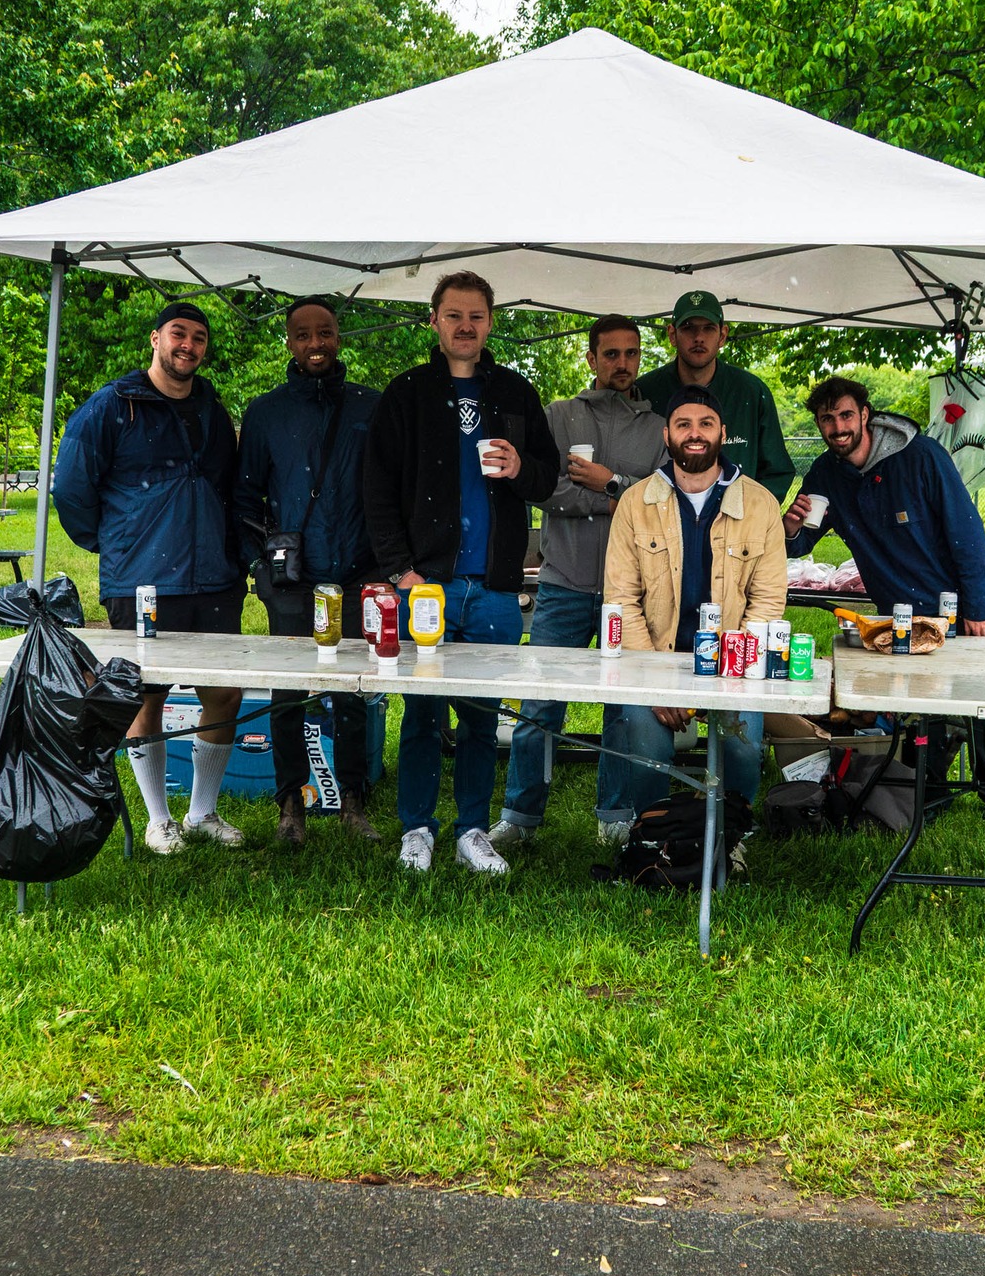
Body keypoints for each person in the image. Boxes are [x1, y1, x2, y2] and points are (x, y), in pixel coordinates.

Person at [363, 270, 560, 875]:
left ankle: (473, 829)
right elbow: (376, 489)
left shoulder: (516, 394)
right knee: (422, 711)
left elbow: (547, 479)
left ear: (490, 323)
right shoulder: (407, 393)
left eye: (476, 316)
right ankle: (416, 828)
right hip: (430, 585)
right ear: (435, 322)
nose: (465, 326)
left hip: (497, 587)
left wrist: (520, 465)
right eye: (454, 315)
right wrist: (401, 571)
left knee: (480, 714)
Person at [53, 300, 246, 856]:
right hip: (140, 581)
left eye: (200, 338)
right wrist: (114, 543)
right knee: (145, 698)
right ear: (155, 338)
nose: (188, 345)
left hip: (212, 576)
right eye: (178, 334)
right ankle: (159, 820)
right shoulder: (113, 406)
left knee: (225, 693)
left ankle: (204, 812)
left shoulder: (211, 406)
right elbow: (71, 490)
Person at [782, 374, 985, 810]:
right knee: (919, 705)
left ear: (866, 415)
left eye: (846, 414)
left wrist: (980, 606)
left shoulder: (922, 456)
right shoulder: (826, 474)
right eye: (827, 419)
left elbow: (967, 533)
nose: (838, 427)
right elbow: (798, 542)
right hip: (902, 614)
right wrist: (790, 527)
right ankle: (930, 791)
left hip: (961, 604)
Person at [490, 315, 667, 851]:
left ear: (639, 358)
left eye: (630, 353)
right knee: (540, 705)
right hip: (563, 582)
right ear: (590, 359)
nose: (621, 363)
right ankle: (520, 817)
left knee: (622, 710)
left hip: (626, 593)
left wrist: (611, 482)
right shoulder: (558, 416)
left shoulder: (658, 426)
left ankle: (615, 816)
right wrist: (607, 501)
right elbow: (540, 488)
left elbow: (661, 501)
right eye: (609, 353)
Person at [234, 298, 381, 845]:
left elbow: (386, 491)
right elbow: (244, 498)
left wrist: (383, 566)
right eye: (303, 335)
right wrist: (261, 567)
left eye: (324, 332)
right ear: (290, 342)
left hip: (356, 573)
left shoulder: (372, 407)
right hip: (292, 581)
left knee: (352, 690)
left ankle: (353, 801)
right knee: (288, 692)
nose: (315, 343)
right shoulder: (266, 412)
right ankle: (290, 803)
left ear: (338, 337)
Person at [603, 386, 787, 819]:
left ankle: (732, 832)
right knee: (647, 749)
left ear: (723, 433)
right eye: (683, 424)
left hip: (733, 661)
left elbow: (767, 601)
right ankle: (650, 834)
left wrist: (732, 673)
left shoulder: (760, 503)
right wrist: (653, 682)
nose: (695, 433)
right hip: (655, 658)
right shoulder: (636, 502)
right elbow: (622, 598)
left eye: (705, 424)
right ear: (666, 435)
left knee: (743, 749)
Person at [639, 290, 795, 500]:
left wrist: (750, 516)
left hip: (737, 526)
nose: (699, 338)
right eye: (688, 328)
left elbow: (776, 473)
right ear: (672, 335)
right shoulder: (644, 392)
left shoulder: (751, 392)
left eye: (708, 328)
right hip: (661, 526)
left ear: (722, 335)